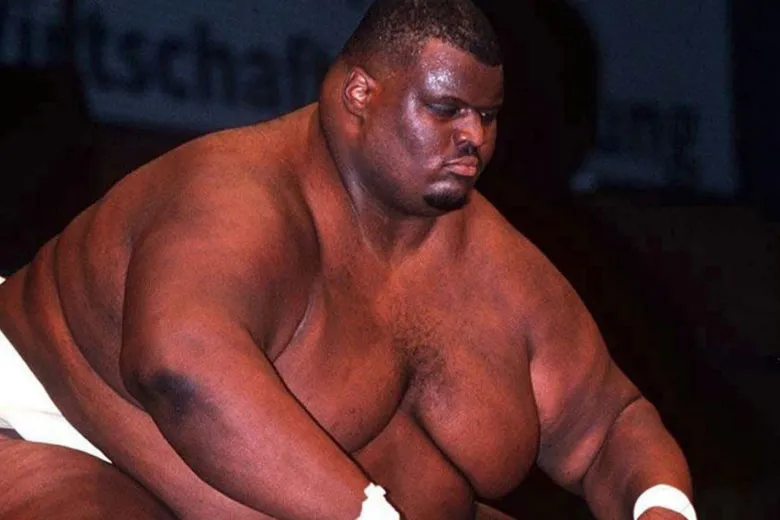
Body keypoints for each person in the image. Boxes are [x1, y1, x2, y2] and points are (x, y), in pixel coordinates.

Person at [0, 0, 696, 518]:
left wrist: (661, 508)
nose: (474, 139)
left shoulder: (500, 270)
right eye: (446, 109)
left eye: (487, 116)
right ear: (360, 94)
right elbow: (176, 366)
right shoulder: (238, 194)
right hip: (48, 421)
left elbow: (610, 426)